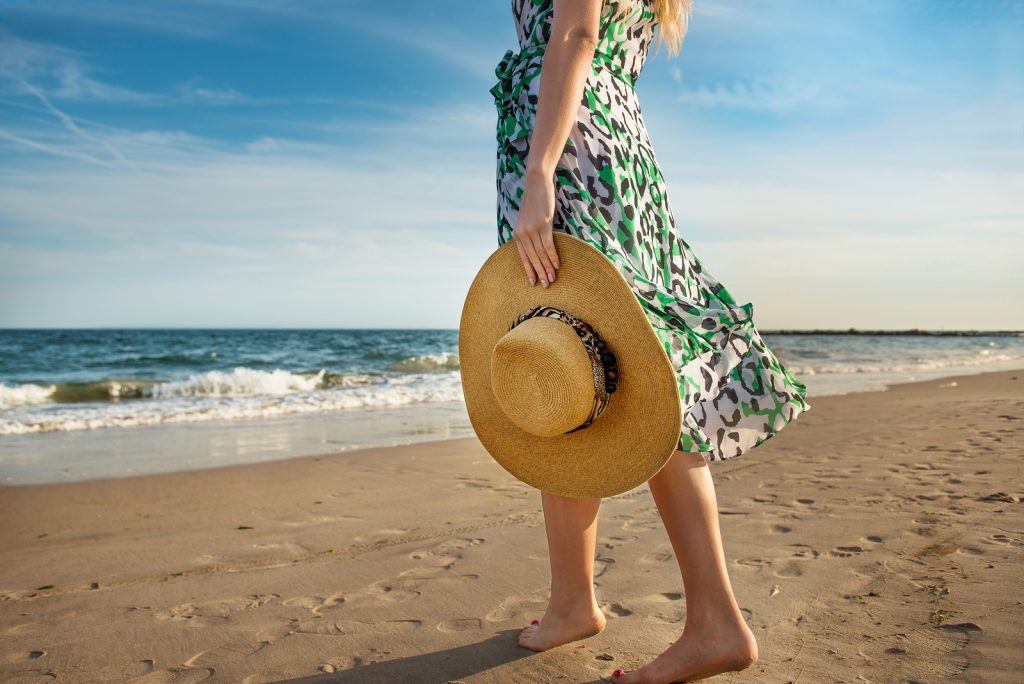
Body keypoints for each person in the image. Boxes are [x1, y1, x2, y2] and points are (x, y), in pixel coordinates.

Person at [489, 0, 811, 681]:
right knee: (575, 366)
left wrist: (539, 173)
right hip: (605, 140)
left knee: (611, 359)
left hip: (568, 152)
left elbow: (575, 33)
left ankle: (714, 622)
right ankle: (574, 602)